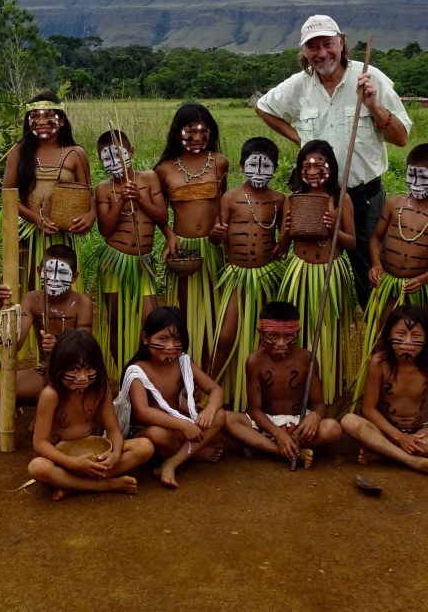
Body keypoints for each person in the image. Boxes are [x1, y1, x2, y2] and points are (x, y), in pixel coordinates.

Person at [256, 14, 412, 308]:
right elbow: (263, 107)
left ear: (341, 43)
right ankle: (326, 331)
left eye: (328, 44)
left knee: (372, 275)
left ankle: (377, 332)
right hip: (317, 199)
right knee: (316, 273)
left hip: (364, 197)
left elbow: (401, 137)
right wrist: (300, 140)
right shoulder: (298, 86)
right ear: (304, 52)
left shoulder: (369, 78)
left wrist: (373, 105)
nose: (322, 53)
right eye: (313, 47)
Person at [353, 143, 428, 423]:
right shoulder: (394, 203)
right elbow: (376, 239)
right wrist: (376, 265)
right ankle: (375, 403)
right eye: (411, 175)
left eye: (424, 177)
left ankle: (413, 404)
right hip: (389, 284)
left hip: (421, 289)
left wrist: (422, 279)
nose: (416, 183)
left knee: (419, 345)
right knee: (382, 339)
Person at [28, 330, 155, 499]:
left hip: (94, 457)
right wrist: (72, 464)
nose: (82, 378)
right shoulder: (51, 395)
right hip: (61, 460)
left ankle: (72, 484)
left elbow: (113, 430)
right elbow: (40, 443)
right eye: (74, 369)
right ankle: (104, 484)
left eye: (89, 369)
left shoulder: (100, 389)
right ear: (59, 367)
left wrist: (115, 454)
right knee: (37, 467)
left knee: (145, 447)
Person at [209, 137, 288, 407]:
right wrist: (216, 234)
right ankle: (209, 388)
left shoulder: (279, 200)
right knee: (225, 336)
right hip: (237, 276)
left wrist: (282, 243)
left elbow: (284, 237)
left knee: (266, 335)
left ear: (276, 167)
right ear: (242, 165)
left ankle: (264, 395)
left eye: (266, 166)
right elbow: (215, 237)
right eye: (253, 165)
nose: (259, 171)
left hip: (266, 277)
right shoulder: (229, 198)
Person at [340, 306, 428, 479]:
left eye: (416, 336)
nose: (408, 342)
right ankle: (412, 461)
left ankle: (383, 454)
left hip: (420, 432)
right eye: (401, 334)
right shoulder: (380, 363)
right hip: (386, 432)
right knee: (349, 421)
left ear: (426, 338)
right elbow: (368, 409)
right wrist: (398, 436)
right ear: (389, 336)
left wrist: (424, 393)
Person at [276, 139, 355, 404]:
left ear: (331, 167)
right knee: (299, 327)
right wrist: (286, 231)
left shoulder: (341, 198)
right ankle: (297, 386)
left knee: (328, 330)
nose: (312, 172)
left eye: (320, 167)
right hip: (299, 271)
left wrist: (334, 229)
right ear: (299, 169)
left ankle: (329, 387)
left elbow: (352, 243)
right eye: (306, 167)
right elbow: (282, 245)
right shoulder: (292, 199)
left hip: (330, 273)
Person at [112, 307, 226, 488]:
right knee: (158, 434)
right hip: (149, 435)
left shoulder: (183, 361)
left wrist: (210, 410)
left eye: (177, 339)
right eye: (163, 339)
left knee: (219, 415)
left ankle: (171, 463)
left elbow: (215, 389)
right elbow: (142, 412)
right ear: (145, 338)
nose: (171, 347)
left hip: (177, 428)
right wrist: (184, 425)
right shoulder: (137, 371)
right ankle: (192, 453)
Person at [154, 103, 229, 370]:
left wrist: (221, 229)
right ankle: (183, 371)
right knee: (185, 313)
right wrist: (169, 235)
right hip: (183, 251)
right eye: (190, 131)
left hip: (213, 248)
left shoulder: (220, 162)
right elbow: (159, 213)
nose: (197, 137)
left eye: (203, 132)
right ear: (178, 132)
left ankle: (209, 372)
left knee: (214, 312)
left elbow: (223, 204)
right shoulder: (164, 169)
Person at [223, 301, 342, 467]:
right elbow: (254, 410)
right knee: (225, 418)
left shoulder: (307, 359)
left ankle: (266, 447)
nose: (281, 343)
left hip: (299, 425)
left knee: (333, 428)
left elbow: (319, 404)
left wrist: (314, 417)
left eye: (288, 336)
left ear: (297, 333)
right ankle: (285, 450)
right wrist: (278, 434)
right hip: (266, 425)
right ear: (260, 333)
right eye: (273, 336)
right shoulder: (255, 361)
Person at [0, 244, 93, 414]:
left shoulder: (82, 303)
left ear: (75, 277)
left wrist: (60, 348)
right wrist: (4, 307)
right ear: (39, 271)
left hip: (76, 373)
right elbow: (15, 344)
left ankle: (54, 410)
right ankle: (46, 404)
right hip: (45, 370)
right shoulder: (32, 300)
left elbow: (85, 351)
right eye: (49, 272)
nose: (54, 278)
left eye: (62, 273)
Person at [3, 91, 95, 293]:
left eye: (48, 116)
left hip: (63, 235)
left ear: (61, 120)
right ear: (28, 122)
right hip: (28, 233)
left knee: (62, 290)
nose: (41, 122)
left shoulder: (75, 153)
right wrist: (35, 219)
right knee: (31, 286)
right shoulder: (18, 152)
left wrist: (91, 215)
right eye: (34, 116)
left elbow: (89, 194)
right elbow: (8, 197)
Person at [92, 128, 167, 373]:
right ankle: (125, 373)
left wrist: (140, 199)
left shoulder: (149, 178)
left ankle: (149, 372)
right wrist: (121, 201)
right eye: (106, 158)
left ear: (131, 152)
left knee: (151, 320)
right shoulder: (103, 189)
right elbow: (105, 229)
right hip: (114, 261)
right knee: (116, 320)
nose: (114, 162)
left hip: (142, 263)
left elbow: (162, 216)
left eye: (118, 155)